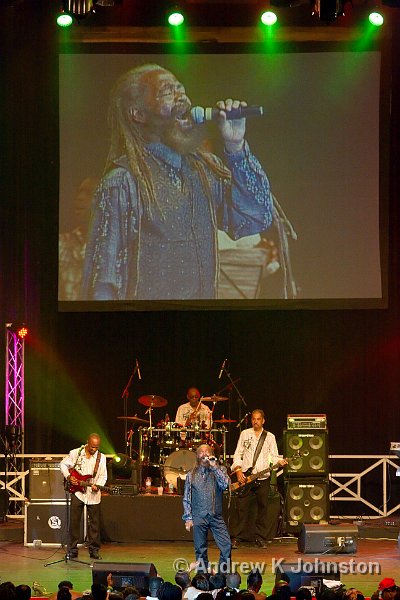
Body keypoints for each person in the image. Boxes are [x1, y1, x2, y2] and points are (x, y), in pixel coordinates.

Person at [80, 63, 273, 301]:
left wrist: (236, 147)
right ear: (138, 114)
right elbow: (102, 285)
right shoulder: (122, 182)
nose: (182, 97)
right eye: (167, 92)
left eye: (181, 89)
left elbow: (255, 218)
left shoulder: (205, 171)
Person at [230, 409, 287, 549]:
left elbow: (273, 456)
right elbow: (238, 453)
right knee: (241, 508)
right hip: (247, 477)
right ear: (251, 420)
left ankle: (260, 537)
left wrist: (279, 462)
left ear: (263, 420)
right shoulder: (245, 434)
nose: (256, 421)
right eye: (254, 419)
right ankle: (236, 537)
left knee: (263, 509)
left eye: (258, 419)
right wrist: (238, 470)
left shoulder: (270, 437)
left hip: (263, 477)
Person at [183, 444, 231, 574]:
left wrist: (214, 467)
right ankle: (202, 577)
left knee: (226, 545)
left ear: (212, 454)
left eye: (207, 451)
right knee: (200, 549)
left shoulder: (220, 470)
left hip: (215, 515)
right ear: (197, 456)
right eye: (201, 452)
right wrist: (188, 517)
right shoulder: (191, 475)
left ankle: (222, 575)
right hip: (199, 515)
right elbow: (187, 497)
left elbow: (225, 485)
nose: (204, 454)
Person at [60, 433, 107, 560]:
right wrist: (69, 477)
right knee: (74, 522)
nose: (94, 450)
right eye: (92, 447)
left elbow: (103, 475)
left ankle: (94, 550)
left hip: (93, 494)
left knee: (95, 524)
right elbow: (63, 464)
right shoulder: (76, 453)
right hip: (78, 492)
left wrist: (99, 485)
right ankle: (72, 550)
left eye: (97, 447)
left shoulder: (101, 458)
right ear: (87, 442)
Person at [59, 177, 99, 301]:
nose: (80, 197)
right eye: (79, 192)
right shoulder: (61, 244)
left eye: (89, 193)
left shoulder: (118, 249)